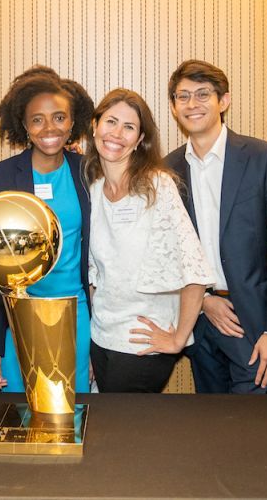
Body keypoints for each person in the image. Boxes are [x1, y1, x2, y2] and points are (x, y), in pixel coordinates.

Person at [163, 60, 267, 394]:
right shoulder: (168, 169)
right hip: (201, 318)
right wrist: (205, 300)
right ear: (173, 107)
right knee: (213, 430)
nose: (192, 104)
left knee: (252, 430)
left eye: (202, 94)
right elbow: (168, 253)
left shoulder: (263, 157)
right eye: (183, 97)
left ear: (224, 101)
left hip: (255, 324)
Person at [85, 88, 214, 393]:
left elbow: (194, 267)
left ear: (140, 139)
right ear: (95, 126)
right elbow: (94, 275)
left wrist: (179, 338)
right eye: (111, 122)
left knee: (125, 433)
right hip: (100, 337)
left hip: (142, 341)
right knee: (106, 430)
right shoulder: (92, 189)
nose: (116, 133)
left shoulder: (158, 186)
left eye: (129, 127)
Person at [0, 66, 94, 392]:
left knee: (71, 412)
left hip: (76, 313)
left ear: (73, 123)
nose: (49, 128)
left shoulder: (88, 171)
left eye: (59, 117)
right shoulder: (1, 176)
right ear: (24, 125)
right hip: (19, 316)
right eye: (37, 119)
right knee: (21, 413)